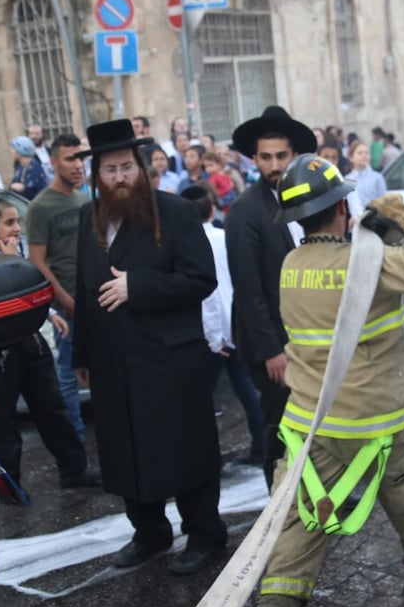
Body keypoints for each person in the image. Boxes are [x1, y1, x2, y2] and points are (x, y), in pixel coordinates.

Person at [246, 157, 404, 607]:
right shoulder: (370, 264)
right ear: (343, 206)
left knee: (303, 520)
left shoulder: (291, 265)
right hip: (378, 421)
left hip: (311, 422)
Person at [72, 119, 226, 576]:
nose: (119, 178)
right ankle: (150, 531)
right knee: (126, 450)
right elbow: (84, 290)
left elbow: (201, 279)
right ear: (97, 176)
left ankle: (205, 535)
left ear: (141, 168)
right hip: (112, 362)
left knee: (185, 448)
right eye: (109, 170)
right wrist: (81, 353)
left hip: (170, 360)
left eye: (126, 167)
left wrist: (137, 286)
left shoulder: (175, 213)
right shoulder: (87, 218)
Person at [0, 199, 101, 492]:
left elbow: (31, 290)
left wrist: (50, 313)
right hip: (1, 352)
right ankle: (10, 485)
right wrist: (9, 264)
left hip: (31, 343)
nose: (16, 228)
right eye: (9, 223)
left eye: (17, 221)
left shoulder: (18, 252)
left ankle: (74, 469)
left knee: (52, 408)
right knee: (5, 423)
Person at [225, 105, 317, 489]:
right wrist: (271, 351)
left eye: (281, 155)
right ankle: (280, 505)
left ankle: (317, 495)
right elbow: (248, 290)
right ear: (254, 159)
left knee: (313, 423)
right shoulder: (244, 212)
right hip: (272, 345)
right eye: (266, 157)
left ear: (294, 155)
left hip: (309, 338)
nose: (274, 164)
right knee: (279, 428)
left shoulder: (310, 198)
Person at [182, 183, 264, 465]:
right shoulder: (225, 236)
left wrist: (214, 338)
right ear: (212, 209)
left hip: (213, 333)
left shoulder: (192, 244)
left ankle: (208, 457)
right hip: (234, 325)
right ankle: (261, 444)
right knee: (245, 387)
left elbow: (210, 297)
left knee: (201, 397)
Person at [26, 133, 88, 441]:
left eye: (81, 158)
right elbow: (37, 260)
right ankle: (74, 440)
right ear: (53, 163)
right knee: (67, 375)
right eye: (70, 159)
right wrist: (63, 299)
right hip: (69, 304)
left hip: (95, 300)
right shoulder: (41, 207)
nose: (78, 165)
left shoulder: (84, 198)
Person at [345, 141, 387, 208]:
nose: (364, 156)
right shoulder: (347, 180)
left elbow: (384, 201)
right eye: (360, 153)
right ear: (351, 158)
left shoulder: (377, 177)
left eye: (367, 153)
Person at [10, 135, 49, 200]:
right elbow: (12, 186)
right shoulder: (19, 167)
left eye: (13, 149)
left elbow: (31, 190)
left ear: (19, 151)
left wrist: (21, 188)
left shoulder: (35, 166)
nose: (11, 151)